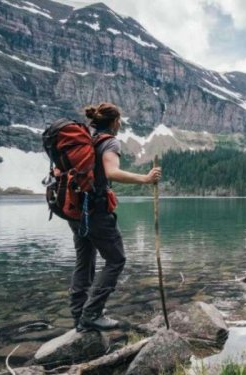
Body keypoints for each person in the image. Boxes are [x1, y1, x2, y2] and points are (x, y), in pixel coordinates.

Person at [69, 102, 162, 332]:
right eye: (119, 121)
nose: (120, 124)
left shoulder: (85, 139)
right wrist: (146, 179)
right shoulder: (109, 141)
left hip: (75, 209)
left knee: (85, 261)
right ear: (114, 122)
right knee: (116, 259)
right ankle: (91, 314)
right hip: (96, 212)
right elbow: (112, 172)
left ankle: (79, 314)